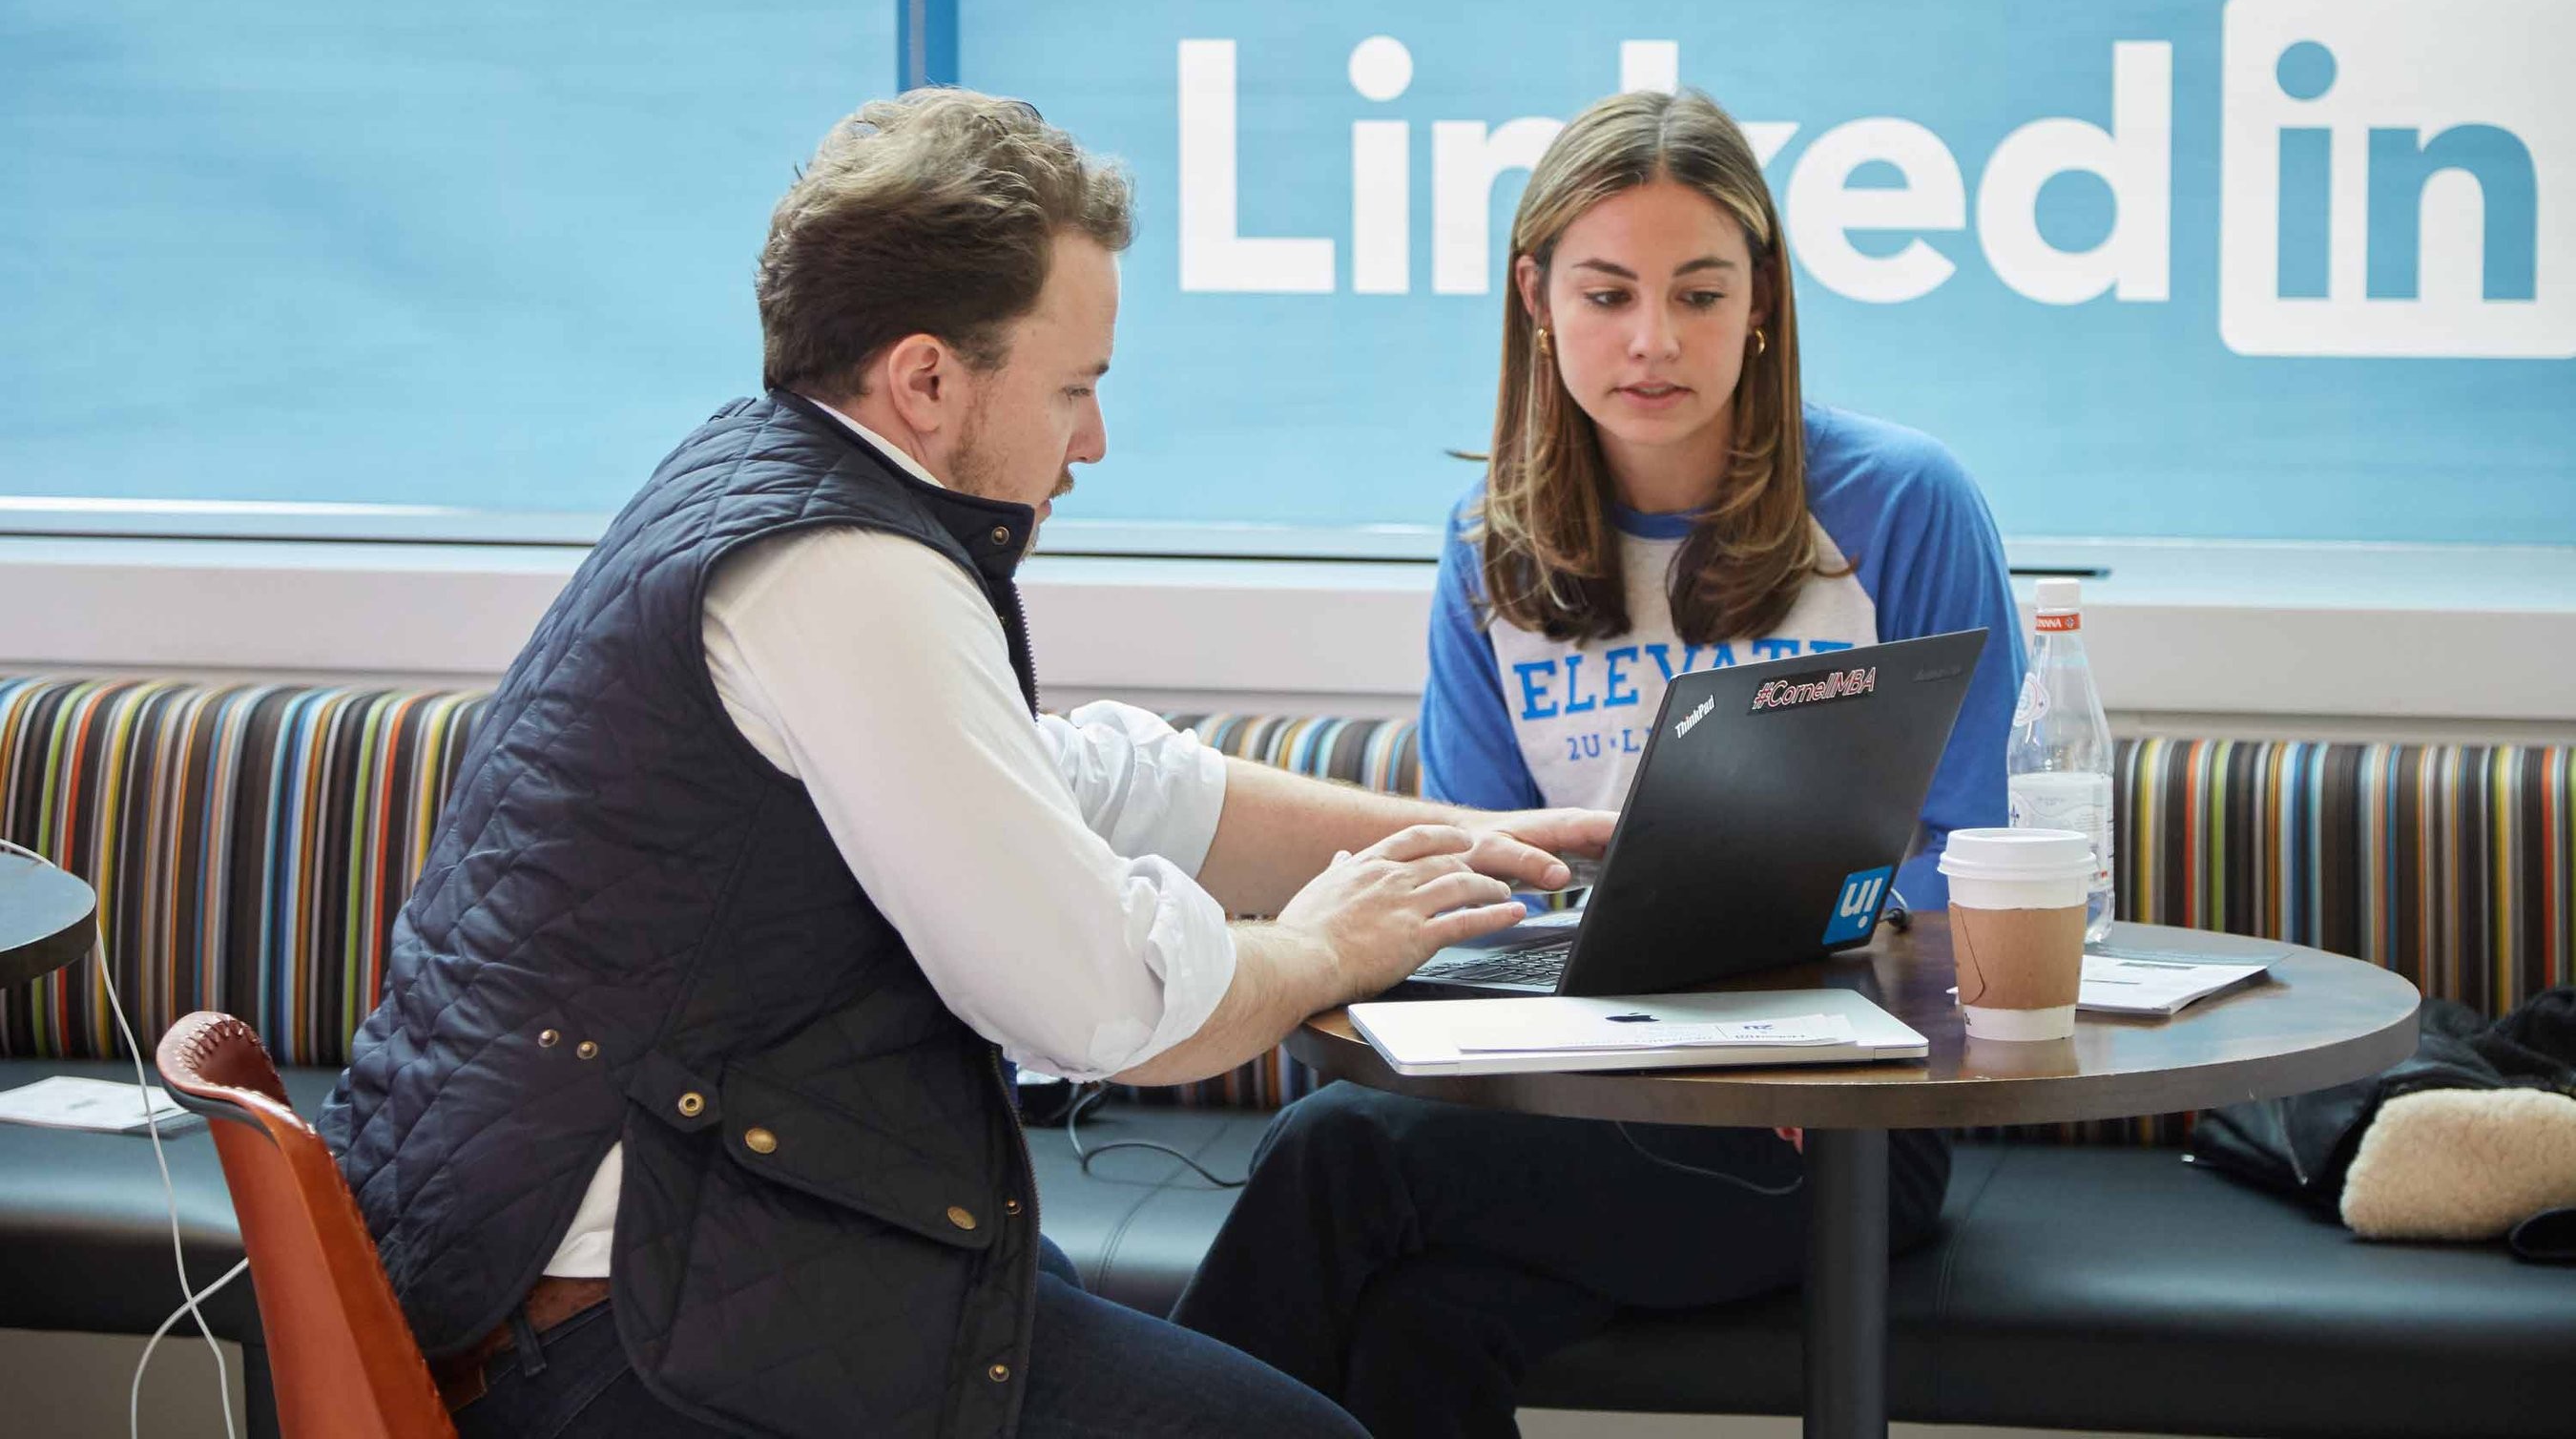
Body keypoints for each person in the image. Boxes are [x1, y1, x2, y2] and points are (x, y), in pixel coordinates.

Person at [318, 90, 1616, 1439]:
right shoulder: (841, 572)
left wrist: (1466, 832)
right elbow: (1103, 1002)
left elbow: (1083, 780)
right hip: (630, 1336)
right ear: (928, 378)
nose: (1093, 442)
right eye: (1076, 389)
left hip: (669, 1264)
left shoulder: (771, 489)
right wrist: (1329, 947)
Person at [1173, 88, 2025, 1437]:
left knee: (1343, 1156)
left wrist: (1800, 1011)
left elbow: (1970, 855)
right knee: (1418, 1326)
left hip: (1833, 1129)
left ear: (1762, 302)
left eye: (1698, 293)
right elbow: (1479, 870)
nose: (1652, 340)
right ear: (1537, 298)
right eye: (1609, 291)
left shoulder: (1900, 504)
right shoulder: (1488, 545)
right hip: (1570, 1085)